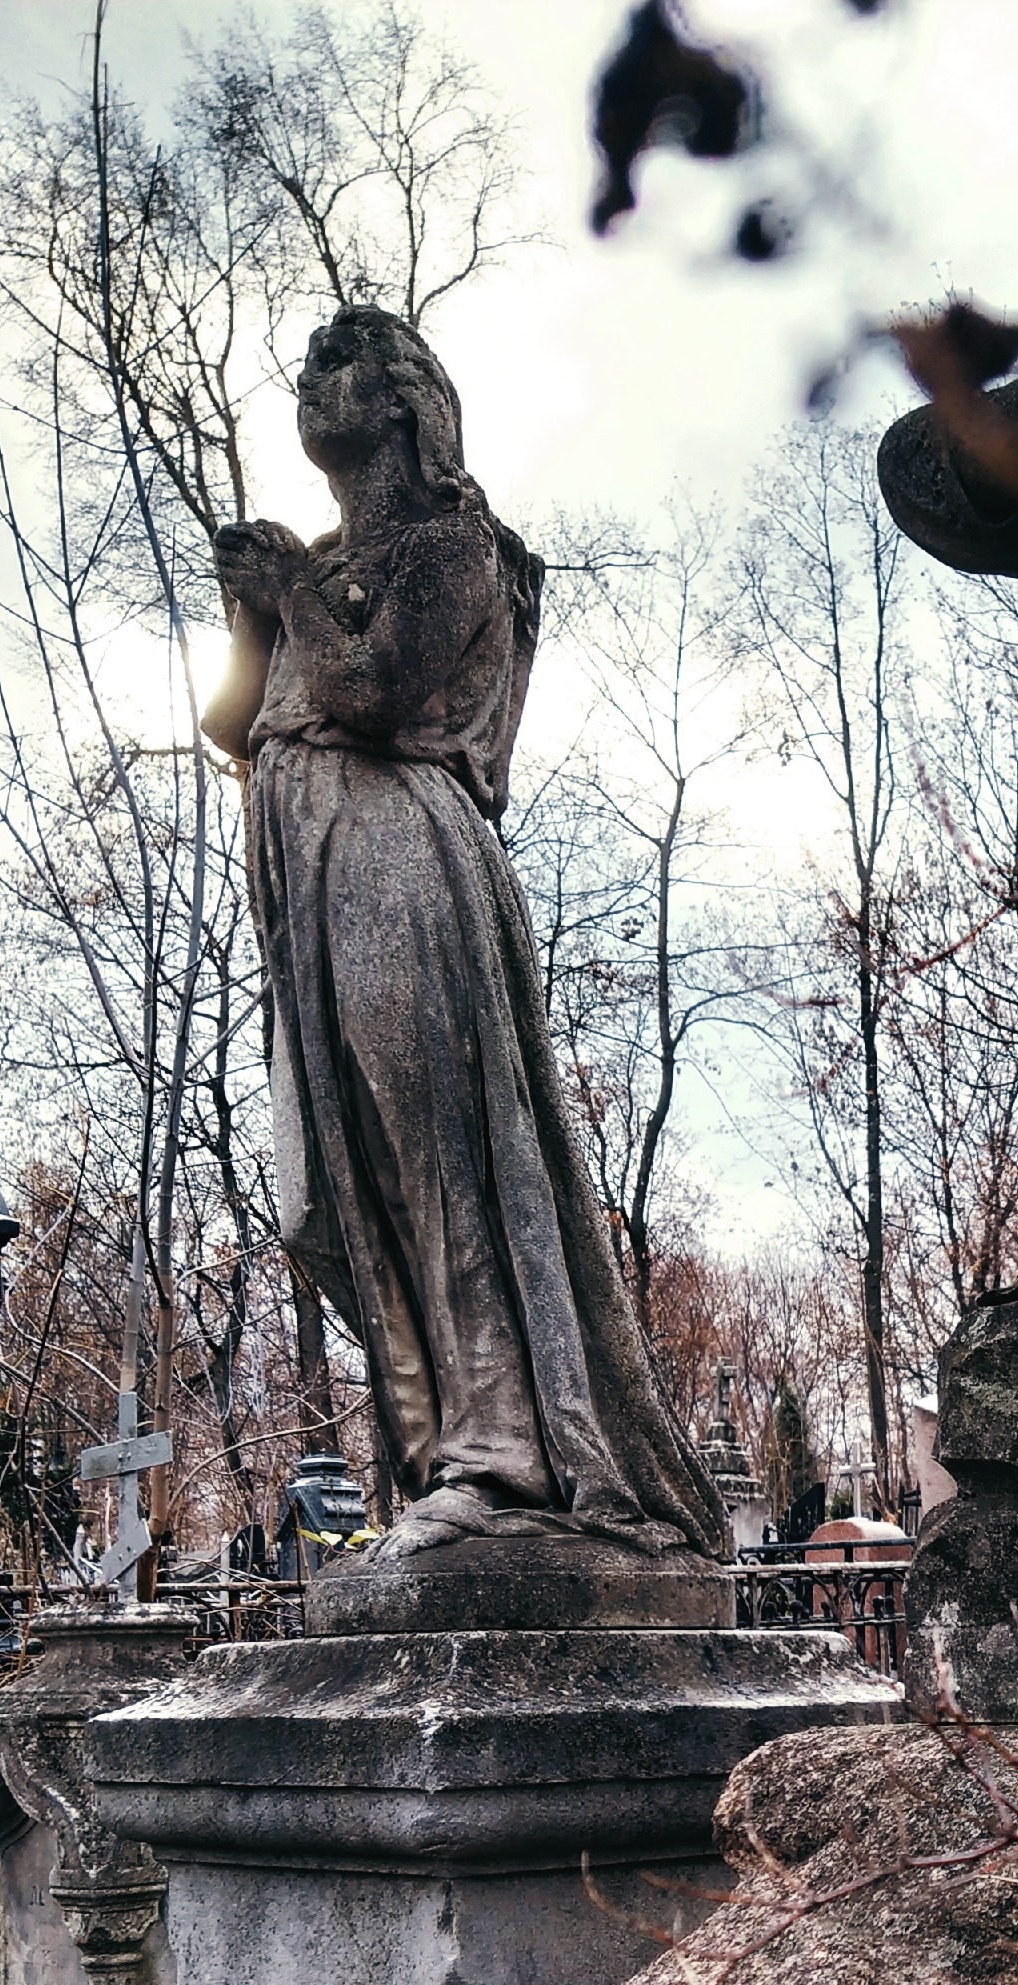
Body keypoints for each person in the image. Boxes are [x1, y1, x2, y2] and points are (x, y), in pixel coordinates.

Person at [205, 303, 721, 1568]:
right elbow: (234, 722)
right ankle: (444, 1452)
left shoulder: (454, 543)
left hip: (400, 860)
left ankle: (503, 1456)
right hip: (311, 880)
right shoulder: (322, 561)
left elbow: (375, 691)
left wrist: (290, 591)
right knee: (342, 1188)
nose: (311, 380)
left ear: (403, 401)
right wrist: (255, 610)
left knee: (438, 1153)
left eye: (341, 362)